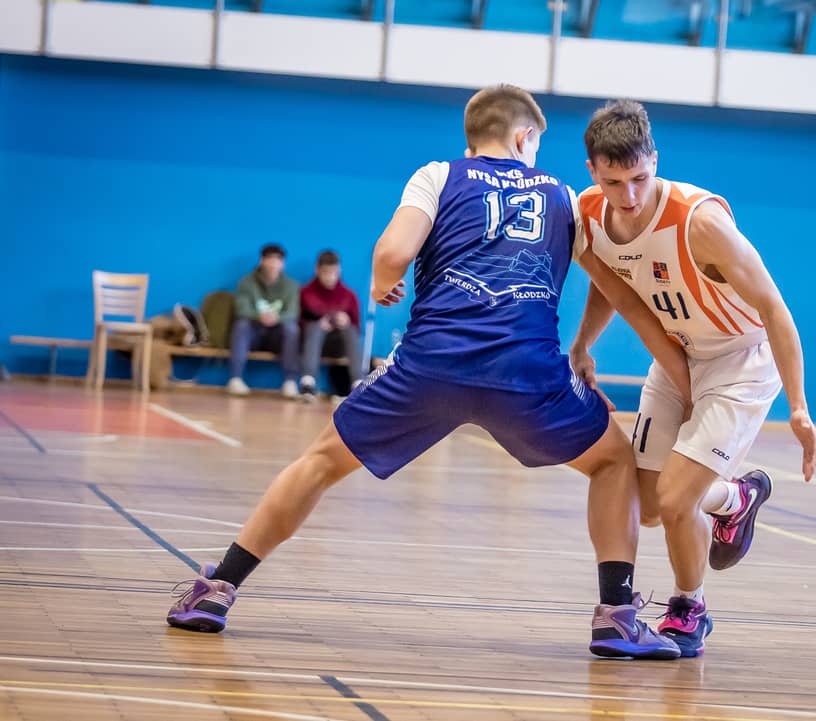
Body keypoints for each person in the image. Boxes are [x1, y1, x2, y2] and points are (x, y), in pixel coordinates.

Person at [167, 85, 693, 660]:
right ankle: (616, 615)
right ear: (525, 137)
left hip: (431, 365)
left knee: (320, 461)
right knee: (613, 461)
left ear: (472, 140)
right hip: (526, 371)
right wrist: (640, 367)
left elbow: (393, 253)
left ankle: (218, 589)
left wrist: (379, 282)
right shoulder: (565, 197)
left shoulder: (439, 176)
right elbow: (620, 292)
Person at [569, 99, 816, 657]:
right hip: (677, 354)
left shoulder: (699, 222)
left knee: (677, 499)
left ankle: (690, 608)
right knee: (648, 505)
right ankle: (735, 498)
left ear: (655, 161)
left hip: (740, 361)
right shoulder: (589, 214)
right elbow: (613, 287)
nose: (629, 197)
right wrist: (583, 343)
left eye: (640, 178)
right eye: (613, 182)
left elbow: (774, 308)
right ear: (593, 171)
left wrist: (799, 407)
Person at [228, 243, 301, 398]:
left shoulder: (291, 285)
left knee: (292, 328)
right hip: (254, 333)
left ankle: (290, 381)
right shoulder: (246, 282)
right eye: (270, 259)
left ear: (283, 263)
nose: (273, 264)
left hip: (277, 337)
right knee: (241, 325)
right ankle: (235, 378)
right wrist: (258, 316)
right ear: (262, 261)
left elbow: (293, 312)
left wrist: (277, 318)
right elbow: (242, 309)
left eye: (277, 260)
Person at [299, 250, 364, 401]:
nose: (330, 277)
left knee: (350, 330)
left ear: (339, 271)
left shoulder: (349, 295)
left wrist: (346, 320)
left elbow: (357, 328)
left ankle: (358, 383)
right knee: (314, 327)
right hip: (312, 344)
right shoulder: (305, 292)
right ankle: (308, 382)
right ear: (317, 270)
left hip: (340, 345)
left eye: (333, 272)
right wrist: (320, 322)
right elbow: (299, 323)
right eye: (326, 272)